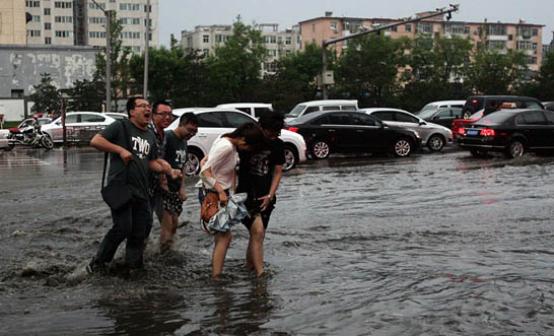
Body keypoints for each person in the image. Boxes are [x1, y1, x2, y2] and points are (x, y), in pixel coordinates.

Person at [87, 97, 181, 274]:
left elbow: (150, 162)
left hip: (141, 190)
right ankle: (99, 262)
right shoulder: (121, 126)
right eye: (142, 106)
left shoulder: (150, 135)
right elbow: (96, 141)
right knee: (123, 227)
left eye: (148, 107)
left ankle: (133, 267)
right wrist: (120, 150)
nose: (147, 109)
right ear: (132, 111)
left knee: (139, 231)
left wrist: (168, 170)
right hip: (120, 187)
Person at [199, 122, 267, 278]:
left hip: (216, 192)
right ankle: (216, 276)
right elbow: (204, 171)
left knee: (222, 236)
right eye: (249, 147)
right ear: (242, 139)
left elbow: (204, 161)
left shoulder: (223, 140)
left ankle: (216, 273)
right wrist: (221, 192)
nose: (248, 150)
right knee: (225, 236)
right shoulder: (226, 147)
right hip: (214, 194)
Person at [237, 113, 285, 277]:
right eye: (270, 133)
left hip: (266, 197)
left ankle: (250, 268)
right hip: (245, 195)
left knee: (258, 235)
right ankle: (260, 274)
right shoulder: (248, 141)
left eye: (277, 133)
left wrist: (270, 195)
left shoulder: (278, 145)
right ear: (260, 127)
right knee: (257, 232)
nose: (273, 137)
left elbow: (278, 172)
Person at [159, 112, 198, 253]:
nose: (192, 134)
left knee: (175, 224)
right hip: (164, 188)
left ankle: (168, 249)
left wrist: (182, 188)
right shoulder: (168, 137)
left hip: (176, 188)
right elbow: (159, 159)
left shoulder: (184, 142)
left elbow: (183, 165)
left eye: (195, 131)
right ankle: (163, 254)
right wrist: (163, 182)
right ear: (180, 125)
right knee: (168, 223)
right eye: (189, 130)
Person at [145, 101, 174, 245]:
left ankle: (164, 252)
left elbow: (160, 158)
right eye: (163, 114)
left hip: (158, 186)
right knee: (145, 223)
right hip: (144, 186)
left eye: (170, 114)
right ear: (153, 115)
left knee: (168, 219)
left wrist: (164, 182)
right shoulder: (147, 133)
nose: (167, 117)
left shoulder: (165, 135)